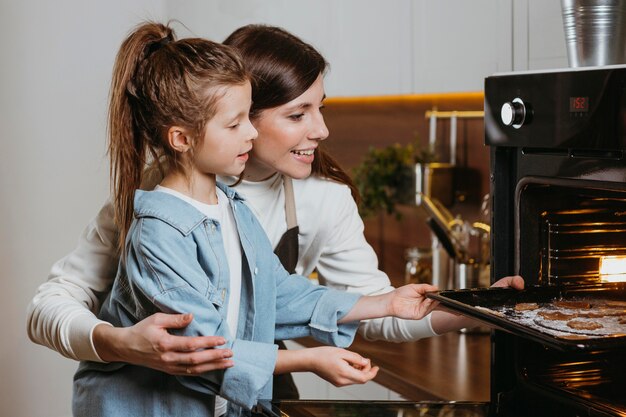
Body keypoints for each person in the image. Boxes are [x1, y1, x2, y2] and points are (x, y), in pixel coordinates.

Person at [26, 23, 523, 400]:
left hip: (234, 392)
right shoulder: (155, 206)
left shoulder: (283, 202)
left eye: (320, 107)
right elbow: (50, 308)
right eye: (297, 114)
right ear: (236, 116)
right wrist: (118, 343)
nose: (322, 130)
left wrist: (465, 310)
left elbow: (291, 297)